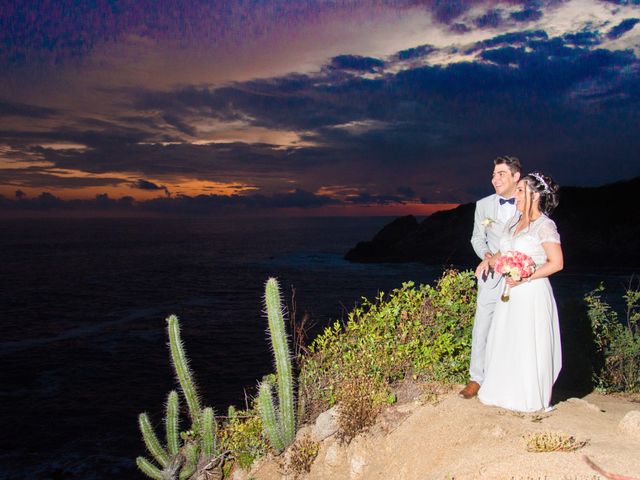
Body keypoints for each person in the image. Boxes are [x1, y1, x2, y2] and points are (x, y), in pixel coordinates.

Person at [476, 172, 563, 412]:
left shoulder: (545, 225)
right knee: (505, 338)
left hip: (532, 292)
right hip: (510, 292)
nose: (516, 195)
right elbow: (506, 251)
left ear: (535, 195)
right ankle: (502, 392)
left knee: (527, 341)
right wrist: (490, 260)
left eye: (521, 191)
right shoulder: (513, 222)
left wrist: (525, 277)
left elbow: (556, 263)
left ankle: (528, 398)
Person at [459, 156, 521, 399]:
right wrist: (486, 255)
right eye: (494, 174)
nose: (494, 179)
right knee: (482, 327)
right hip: (491, 277)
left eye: (501, 174)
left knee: (516, 327)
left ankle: (510, 378)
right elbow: (477, 237)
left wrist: (497, 258)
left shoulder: (528, 202)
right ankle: (476, 378)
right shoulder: (483, 205)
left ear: (516, 176)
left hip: (521, 277)